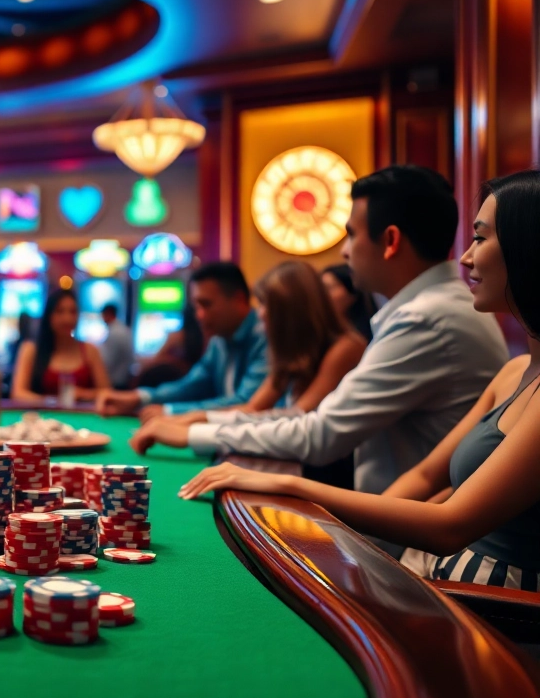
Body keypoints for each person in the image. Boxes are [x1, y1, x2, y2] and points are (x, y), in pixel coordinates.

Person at [178, 170, 540, 591]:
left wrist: (288, 485)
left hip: (493, 606)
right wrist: (355, 548)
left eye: (480, 238)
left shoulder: (429, 318)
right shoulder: (512, 368)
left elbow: (448, 523)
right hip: (426, 561)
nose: (466, 257)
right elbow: (425, 478)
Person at [136, 165, 509, 498]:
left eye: (351, 234)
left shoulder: (428, 318)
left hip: (408, 544)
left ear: (391, 241)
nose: (344, 252)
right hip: (397, 523)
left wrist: (193, 433)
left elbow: (320, 435)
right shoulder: (431, 307)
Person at [134, 261, 365, 433]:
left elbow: (297, 419)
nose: (261, 313)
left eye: (269, 305)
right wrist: (189, 418)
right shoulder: (290, 352)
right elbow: (252, 408)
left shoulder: (346, 347)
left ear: (298, 310)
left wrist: (194, 428)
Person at [97, 262, 269, 422]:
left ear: (238, 299)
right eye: (196, 307)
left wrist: (171, 412)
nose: (199, 315)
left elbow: (248, 403)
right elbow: (191, 385)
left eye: (206, 304)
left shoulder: (266, 338)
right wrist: (139, 397)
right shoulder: (219, 340)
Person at [10, 289, 111, 403]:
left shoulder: (90, 350)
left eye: (73, 312)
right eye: (60, 311)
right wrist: (53, 402)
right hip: (42, 419)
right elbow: (18, 393)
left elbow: (107, 393)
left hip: (81, 418)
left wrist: (81, 394)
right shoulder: (30, 349)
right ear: (49, 315)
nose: (67, 318)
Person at [134, 307, 206, 388]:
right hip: (194, 385)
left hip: (170, 383)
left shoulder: (177, 336)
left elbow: (157, 359)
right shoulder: (207, 337)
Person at [322, 264, 376, 341]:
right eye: (321, 290)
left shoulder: (377, 326)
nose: (323, 296)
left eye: (329, 288)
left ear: (352, 292)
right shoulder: (328, 333)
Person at [98, 303, 135, 389]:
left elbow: (107, 362)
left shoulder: (114, 333)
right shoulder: (124, 330)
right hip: (125, 380)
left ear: (107, 314)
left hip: (116, 383)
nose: (102, 319)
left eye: (103, 315)